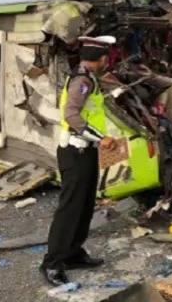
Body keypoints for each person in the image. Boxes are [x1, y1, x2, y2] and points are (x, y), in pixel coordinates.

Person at [40, 35, 118, 286]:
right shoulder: (82, 80)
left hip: (86, 151)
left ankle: (73, 253)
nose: (108, 60)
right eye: (106, 56)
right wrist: (100, 138)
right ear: (99, 58)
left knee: (84, 205)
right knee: (71, 208)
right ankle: (52, 263)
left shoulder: (89, 77)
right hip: (75, 152)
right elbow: (71, 114)